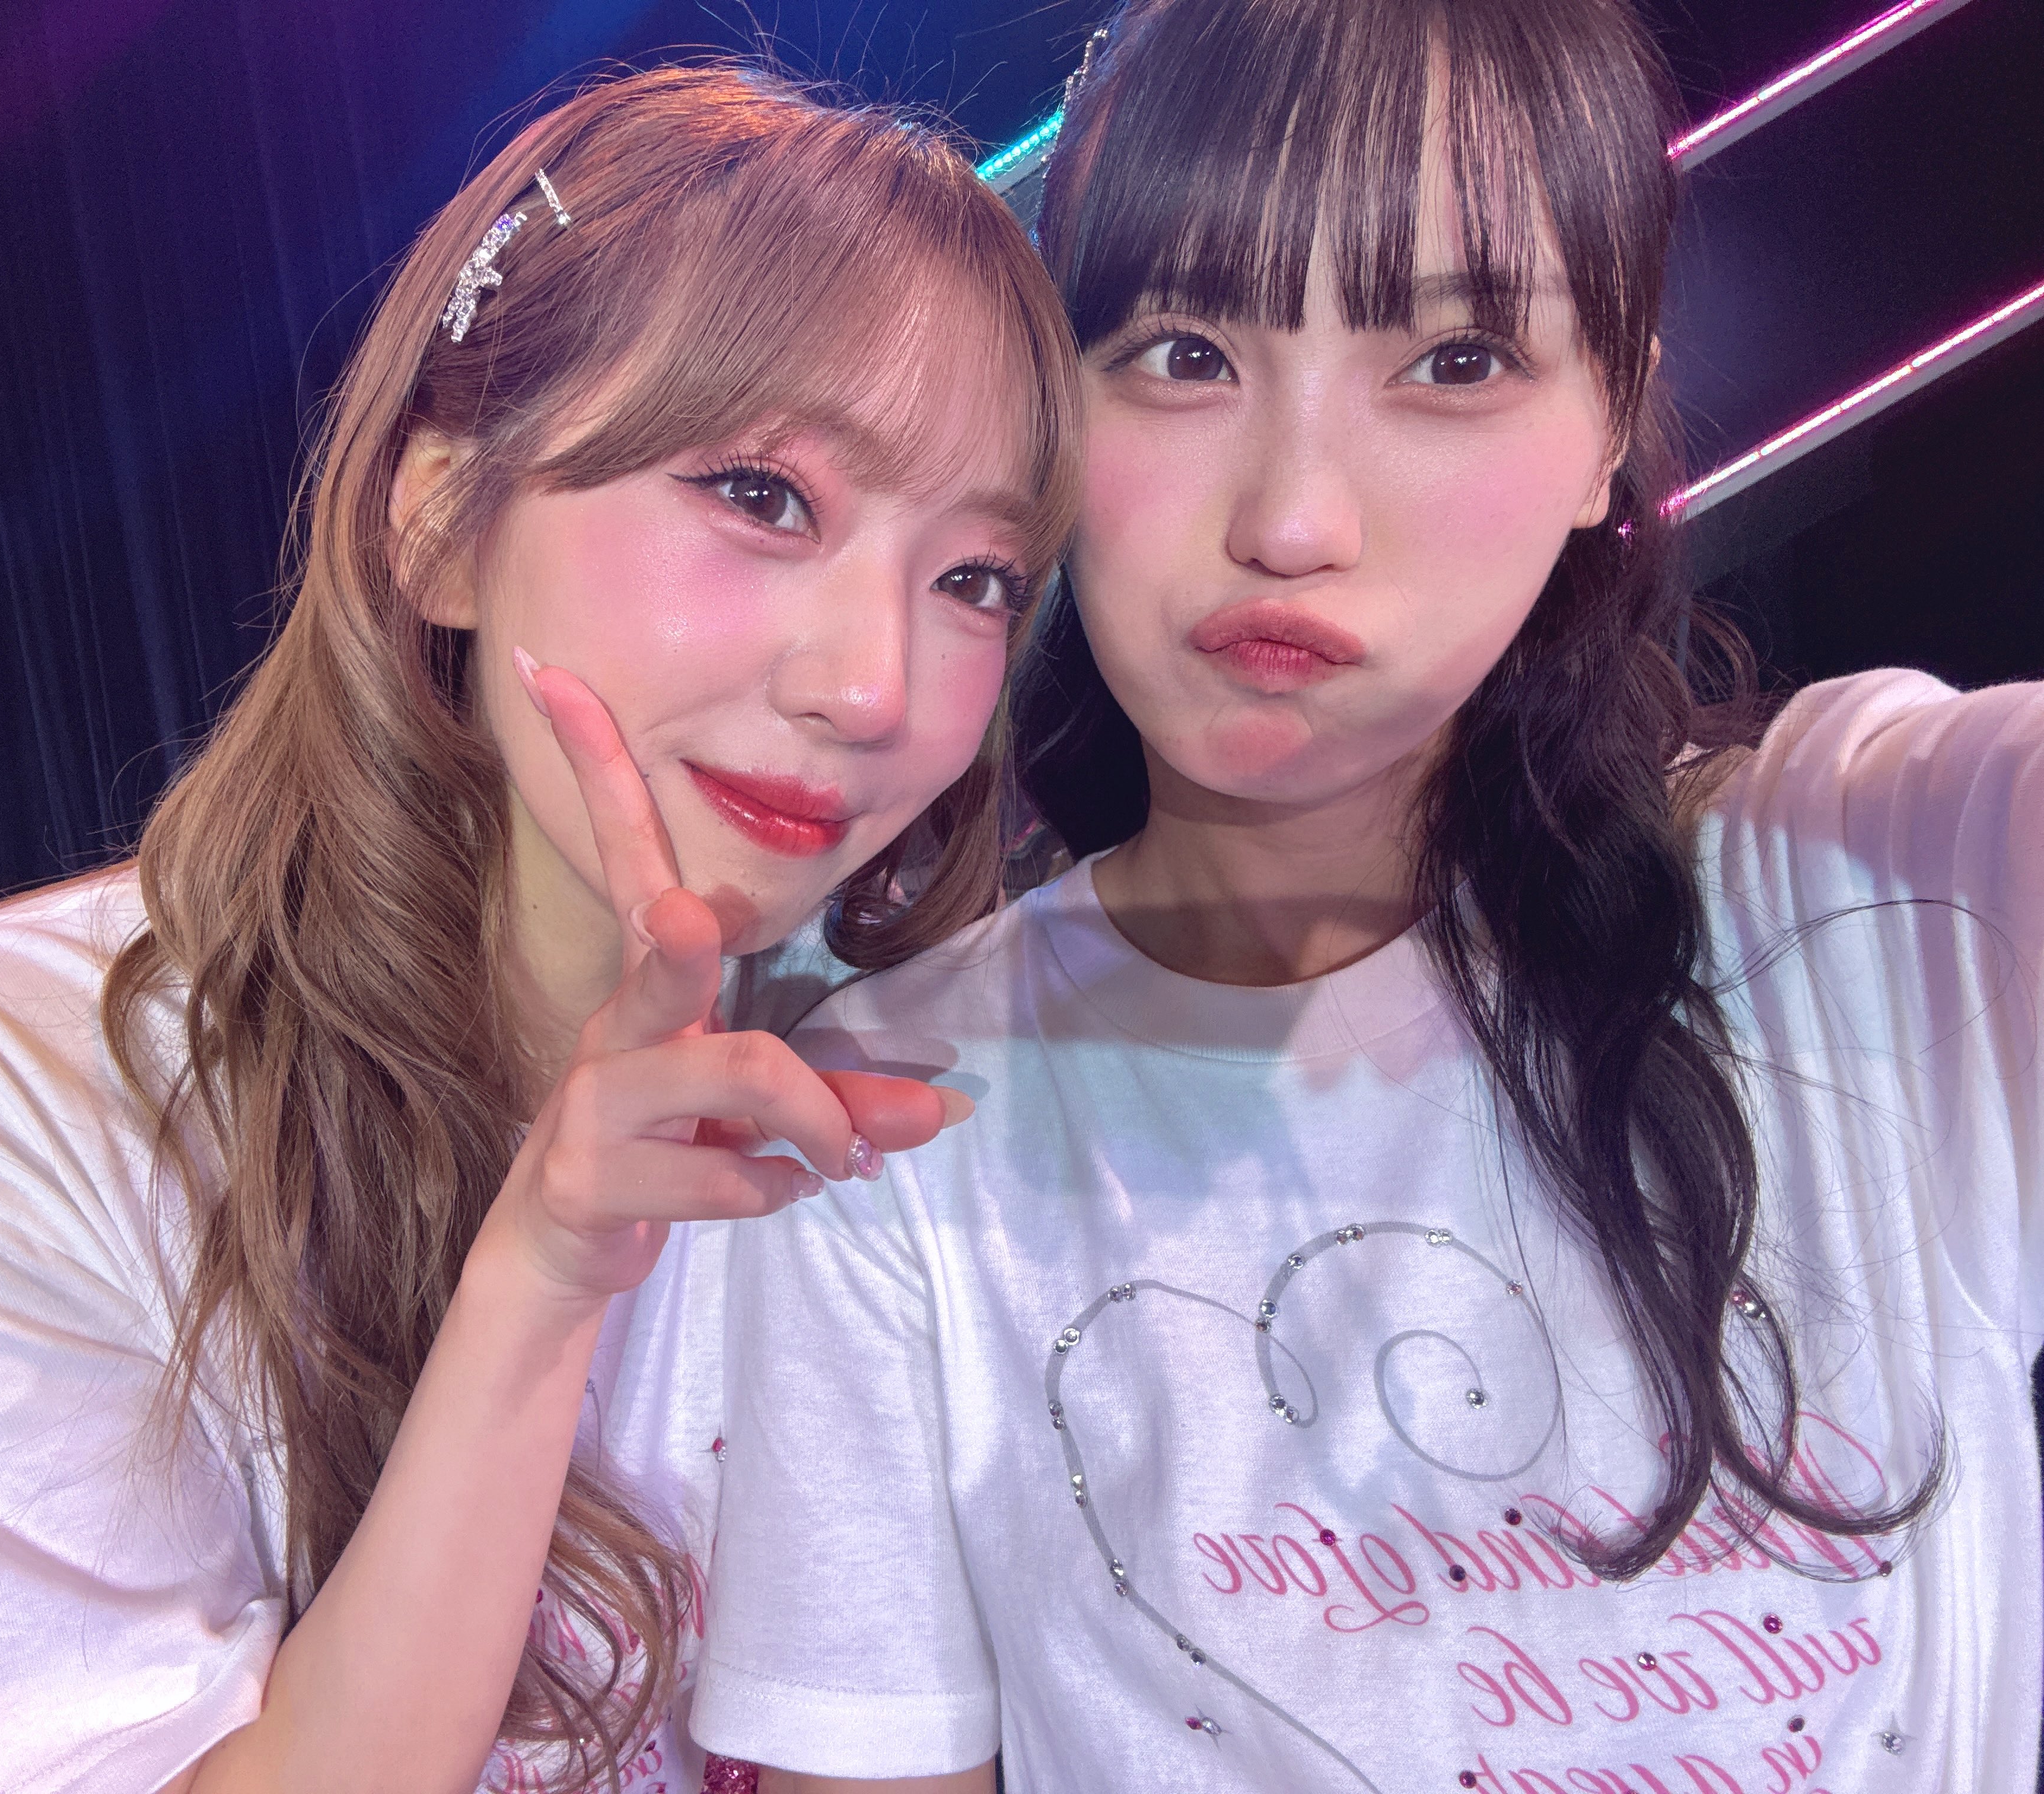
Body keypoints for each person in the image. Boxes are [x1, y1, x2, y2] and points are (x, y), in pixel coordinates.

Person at [694, 2, 2040, 1789]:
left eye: (1456, 361)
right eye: (1184, 351)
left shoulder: (1882, 893)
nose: (1296, 519)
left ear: (1608, 425)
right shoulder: (895, 1120)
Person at [0, 65, 1079, 1794]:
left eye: (975, 579)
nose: (874, 687)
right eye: (763, 495)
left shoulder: (906, 1096)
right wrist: (539, 1281)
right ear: (443, 521)